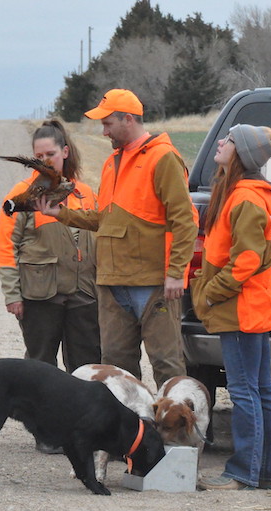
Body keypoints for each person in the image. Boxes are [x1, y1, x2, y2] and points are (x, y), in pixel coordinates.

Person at [36, 89, 197, 389]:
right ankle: (127, 434)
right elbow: (105, 220)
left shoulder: (163, 157)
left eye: (108, 123)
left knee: (166, 363)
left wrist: (176, 273)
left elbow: (184, 220)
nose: (103, 130)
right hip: (111, 282)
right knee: (116, 367)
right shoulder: (112, 162)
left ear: (128, 119)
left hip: (152, 283)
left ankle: (178, 435)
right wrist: (62, 214)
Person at [191, 124, 271, 491]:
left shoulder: (246, 198)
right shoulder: (239, 192)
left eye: (229, 140)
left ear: (242, 154)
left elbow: (247, 259)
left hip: (240, 308)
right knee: (261, 389)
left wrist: (210, 293)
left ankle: (242, 473)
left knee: (245, 390)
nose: (221, 142)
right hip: (247, 305)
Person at [0, 119, 100, 372]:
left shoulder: (85, 193)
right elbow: (6, 246)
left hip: (84, 294)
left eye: (50, 154)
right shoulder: (20, 195)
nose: (45, 161)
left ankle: (81, 412)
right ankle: (39, 412)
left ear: (65, 152)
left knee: (87, 365)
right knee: (40, 366)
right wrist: (12, 294)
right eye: (38, 156)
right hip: (40, 296)